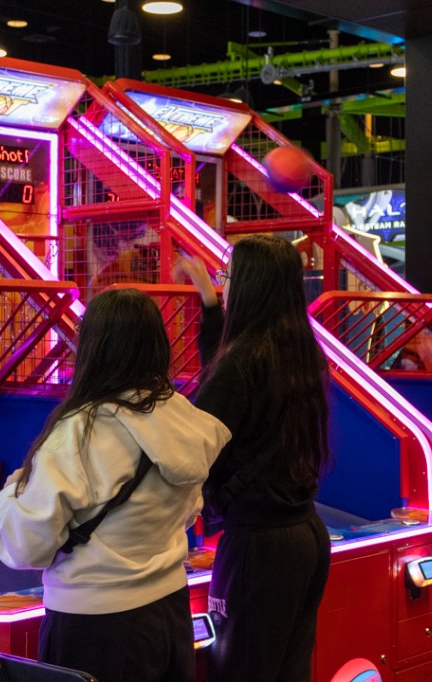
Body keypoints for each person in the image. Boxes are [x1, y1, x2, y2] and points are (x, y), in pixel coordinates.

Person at [0, 288, 231, 681]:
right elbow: (189, 513)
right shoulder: (182, 416)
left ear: (93, 348)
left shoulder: (79, 431)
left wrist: (13, 489)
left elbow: (22, 546)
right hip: (168, 613)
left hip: (93, 624)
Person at [178, 235, 332, 682]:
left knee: (241, 670)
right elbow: (226, 378)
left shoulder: (245, 360)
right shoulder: (300, 350)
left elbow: (198, 437)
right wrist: (210, 304)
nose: (223, 283)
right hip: (305, 534)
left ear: (250, 285)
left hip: (259, 547)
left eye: (228, 276)